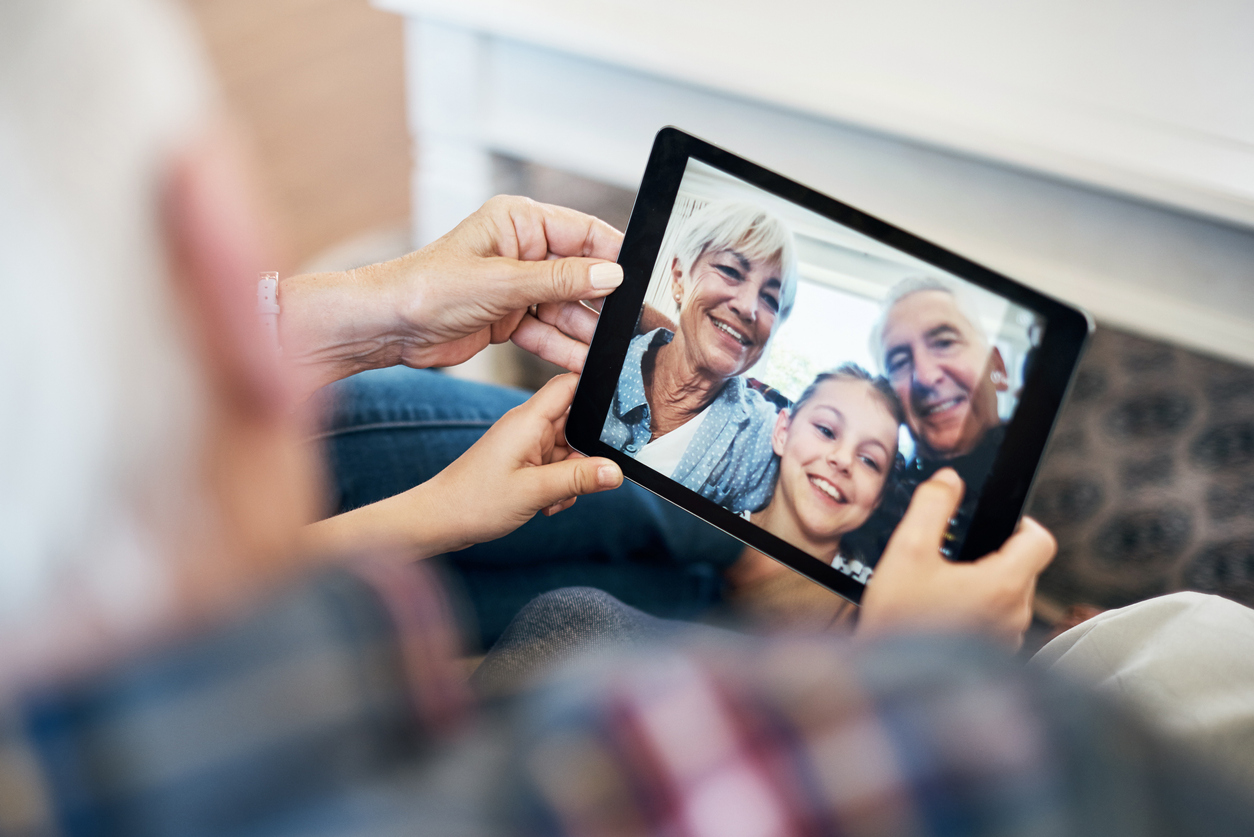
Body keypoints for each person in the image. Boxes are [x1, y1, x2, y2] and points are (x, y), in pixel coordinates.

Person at [19, 2, 1251, 835]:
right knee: (1193, 651)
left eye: (779, 298)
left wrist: (383, 357)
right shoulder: (1001, 745)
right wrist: (893, 678)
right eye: (738, 277)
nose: (754, 310)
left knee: (616, 536)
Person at [599, 202, 799, 512]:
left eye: (771, 298)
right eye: (731, 271)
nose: (748, 307)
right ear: (679, 277)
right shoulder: (603, 350)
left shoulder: (762, 437)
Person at [868, 276, 1012, 555]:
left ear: (998, 368)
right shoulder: (872, 510)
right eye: (899, 362)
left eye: (945, 342)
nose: (925, 376)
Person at [748, 365, 903, 584]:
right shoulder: (698, 532)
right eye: (826, 431)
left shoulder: (878, 605)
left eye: (869, 460)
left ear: (878, 497)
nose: (843, 460)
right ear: (783, 432)